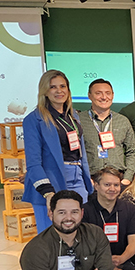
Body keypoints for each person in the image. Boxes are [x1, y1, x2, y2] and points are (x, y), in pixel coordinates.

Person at [23, 70, 93, 231]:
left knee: (79, 229)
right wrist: (48, 192)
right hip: (51, 180)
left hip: (77, 177)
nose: (59, 91)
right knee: (52, 233)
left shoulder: (73, 116)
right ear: (45, 91)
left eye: (62, 86)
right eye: (53, 87)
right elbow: (33, 162)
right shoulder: (34, 120)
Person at [80, 79, 135, 185]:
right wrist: (86, 178)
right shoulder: (79, 120)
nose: (104, 97)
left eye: (108, 93)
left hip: (118, 180)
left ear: (113, 95)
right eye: (98, 93)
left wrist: (127, 178)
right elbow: (74, 153)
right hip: (90, 180)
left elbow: (132, 152)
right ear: (89, 96)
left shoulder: (123, 121)